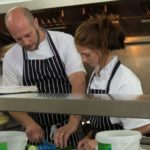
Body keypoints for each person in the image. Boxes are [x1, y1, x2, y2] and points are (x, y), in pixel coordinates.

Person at [3, 6, 86, 149]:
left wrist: (73, 123)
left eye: (28, 35)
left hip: (68, 128)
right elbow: (10, 100)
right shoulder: (11, 57)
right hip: (35, 134)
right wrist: (28, 123)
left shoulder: (63, 41)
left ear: (35, 22)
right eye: (19, 39)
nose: (26, 42)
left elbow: (78, 82)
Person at [74, 15, 150, 150]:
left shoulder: (125, 80)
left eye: (86, 54)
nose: (83, 60)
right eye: (80, 54)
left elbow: (143, 126)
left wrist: (102, 142)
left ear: (102, 49)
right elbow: (101, 123)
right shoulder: (96, 74)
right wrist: (89, 137)